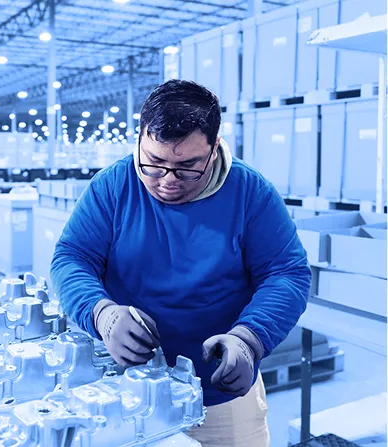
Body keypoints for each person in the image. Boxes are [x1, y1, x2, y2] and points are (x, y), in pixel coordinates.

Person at [50, 80, 311, 446]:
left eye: (188, 167)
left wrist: (251, 339)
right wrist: (101, 314)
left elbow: (287, 274)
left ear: (214, 147)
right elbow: (72, 257)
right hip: (127, 389)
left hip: (220, 393)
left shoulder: (250, 194)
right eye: (154, 163)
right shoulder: (113, 186)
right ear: (139, 139)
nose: (167, 182)